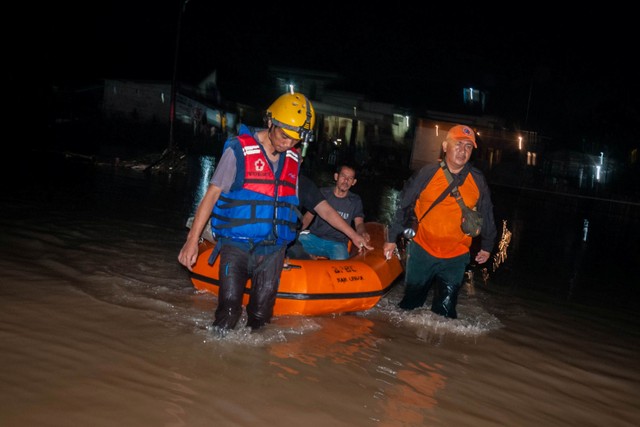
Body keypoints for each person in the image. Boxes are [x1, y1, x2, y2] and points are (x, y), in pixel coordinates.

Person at [178, 92, 318, 333]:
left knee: (261, 315)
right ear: (270, 122)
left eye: (295, 141)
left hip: (273, 247)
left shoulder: (294, 158)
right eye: (284, 136)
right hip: (237, 244)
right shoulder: (237, 150)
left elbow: (290, 200)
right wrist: (192, 241)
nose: (288, 144)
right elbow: (211, 196)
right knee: (229, 310)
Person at [382, 124, 497, 319]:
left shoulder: (477, 180)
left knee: (445, 314)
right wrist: (392, 238)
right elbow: (403, 203)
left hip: (456, 255)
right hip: (422, 250)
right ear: (445, 146)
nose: (463, 150)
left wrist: (487, 245)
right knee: (409, 308)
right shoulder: (427, 173)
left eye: (468, 147)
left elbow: (487, 212)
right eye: (458, 144)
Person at [298, 165, 369, 260]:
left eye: (350, 178)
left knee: (341, 266)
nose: (346, 180)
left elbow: (359, 223)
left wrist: (362, 232)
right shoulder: (322, 193)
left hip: (337, 244)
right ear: (336, 177)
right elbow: (308, 217)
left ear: (354, 182)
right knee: (292, 245)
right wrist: (296, 232)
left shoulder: (355, 200)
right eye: (343, 176)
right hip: (314, 238)